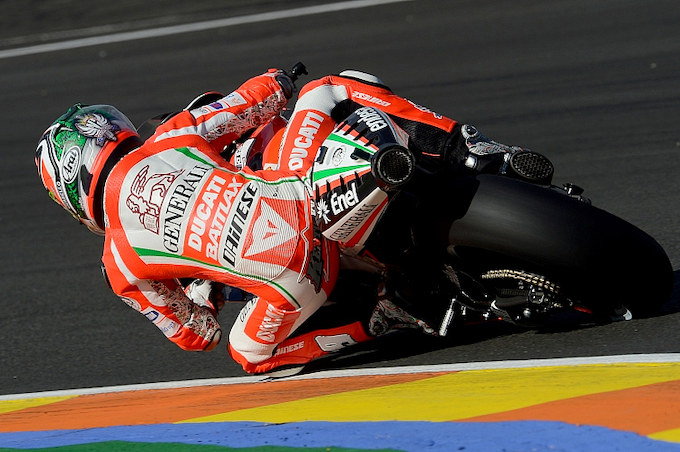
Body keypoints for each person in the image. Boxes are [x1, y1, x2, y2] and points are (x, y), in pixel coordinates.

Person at [35, 67, 526, 374]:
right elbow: (257, 100)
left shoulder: (120, 264)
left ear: (70, 196)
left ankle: (381, 315)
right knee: (329, 87)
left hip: (299, 279)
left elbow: (199, 334)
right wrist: (282, 79)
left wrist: (208, 287)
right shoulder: (169, 136)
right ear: (113, 132)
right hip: (302, 192)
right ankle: (466, 146)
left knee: (248, 354)